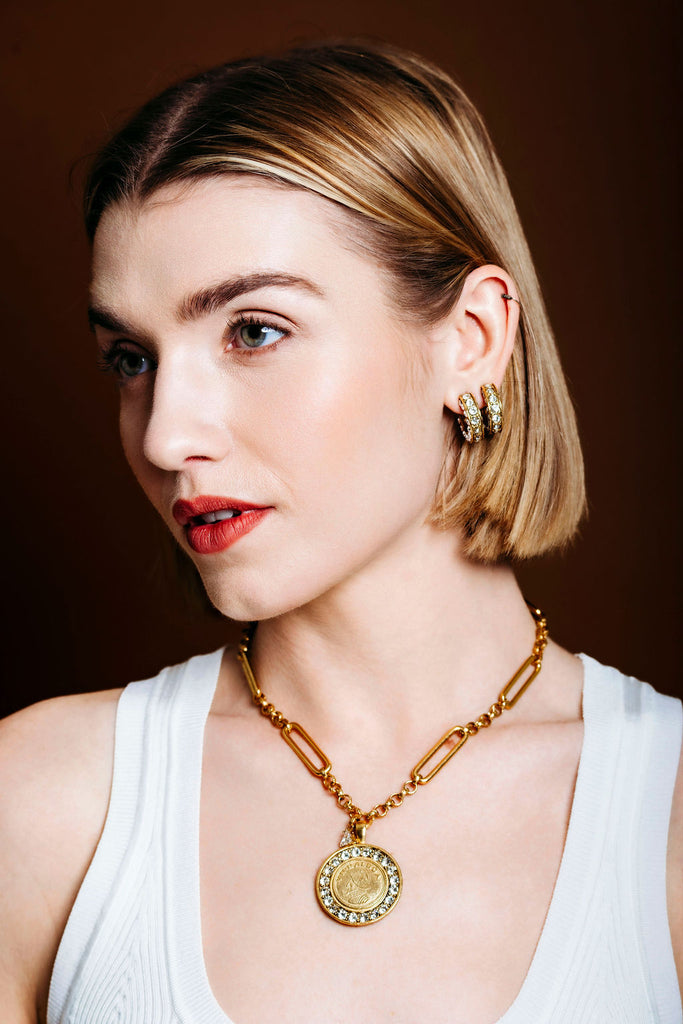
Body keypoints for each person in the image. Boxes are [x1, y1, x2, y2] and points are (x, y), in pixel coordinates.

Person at [1, 39, 681, 1024]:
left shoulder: (663, 816)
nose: (166, 433)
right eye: (130, 357)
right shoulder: (43, 804)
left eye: (252, 331)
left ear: (472, 340)